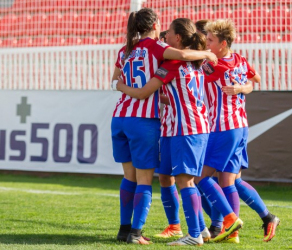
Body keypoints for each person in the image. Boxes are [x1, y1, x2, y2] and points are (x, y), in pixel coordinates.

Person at [110, 8, 217, 245]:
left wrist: (119, 87)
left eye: (169, 32)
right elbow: (182, 58)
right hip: (149, 121)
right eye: (162, 28)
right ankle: (139, 234)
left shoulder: (125, 49)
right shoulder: (165, 53)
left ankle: (125, 230)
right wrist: (208, 54)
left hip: (121, 117)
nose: (164, 34)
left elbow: (117, 79)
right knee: (152, 179)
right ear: (155, 24)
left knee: (132, 177)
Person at [200, 19, 280, 243]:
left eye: (210, 40)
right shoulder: (240, 60)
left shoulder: (215, 65)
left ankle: (228, 221)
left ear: (223, 44)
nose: (206, 43)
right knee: (229, 181)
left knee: (201, 177)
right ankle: (251, 225)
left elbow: (193, 68)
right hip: (241, 127)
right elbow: (256, 79)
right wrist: (242, 88)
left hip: (223, 127)